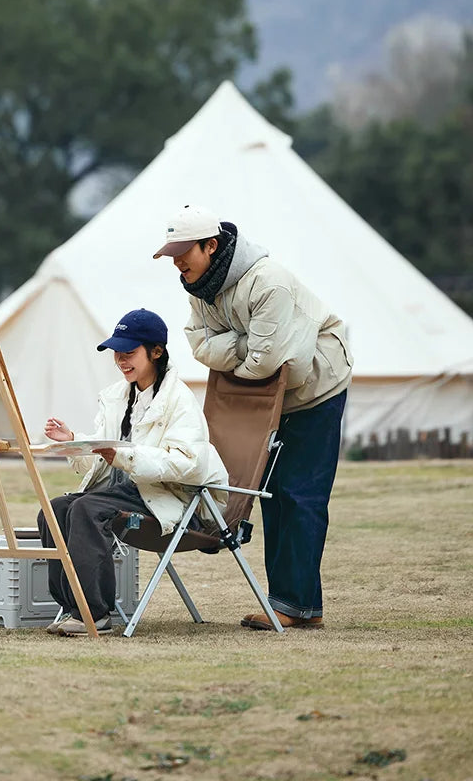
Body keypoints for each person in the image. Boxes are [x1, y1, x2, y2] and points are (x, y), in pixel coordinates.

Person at [154, 204, 353, 630]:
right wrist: (246, 347)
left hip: (316, 392)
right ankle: (299, 606)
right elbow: (198, 345)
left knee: (300, 497)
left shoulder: (269, 282)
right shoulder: (198, 286)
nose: (176, 262)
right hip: (268, 398)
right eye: (172, 254)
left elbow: (271, 362)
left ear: (211, 245)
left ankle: (293, 606)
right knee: (273, 497)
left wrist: (236, 350)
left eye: (183, 252)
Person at [37, 308, 228, 636]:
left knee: (84, 508)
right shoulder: (115, 398)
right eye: (116, 354)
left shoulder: (180, 400)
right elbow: (101, 459)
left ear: (156, 352)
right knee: (53, 510)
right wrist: (73, 442)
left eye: (129, 353)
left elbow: (187, 464)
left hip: (166, 498)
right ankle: (74, 606)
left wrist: (126, 458)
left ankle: (94, 613)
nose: (121, 360)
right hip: (121, 492)